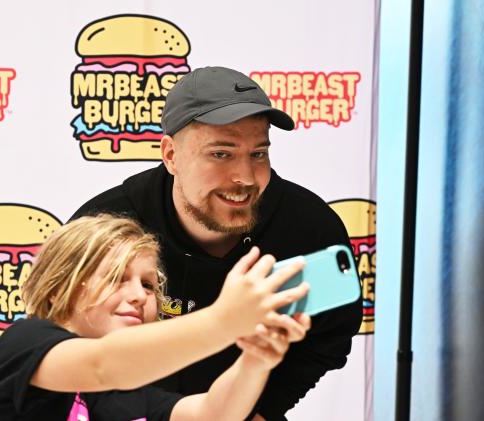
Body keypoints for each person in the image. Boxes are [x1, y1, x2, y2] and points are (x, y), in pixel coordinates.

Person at [70, 66, 363, 421]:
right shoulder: (108, 223)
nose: (245, 177)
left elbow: (327, 341)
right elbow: (62, 339)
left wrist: (263, 411)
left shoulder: (308, 228)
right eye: (221, 154)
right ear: (170, 155)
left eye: (258, 154)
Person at [0, 214, 311, 421]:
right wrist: (224, 320)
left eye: (147, 284)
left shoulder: (127, 394)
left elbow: (212, 414)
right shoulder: (25, 342)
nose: (139, 295)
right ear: (58, 287)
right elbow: (102, 365)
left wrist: (256, 359)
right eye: (116, 278)